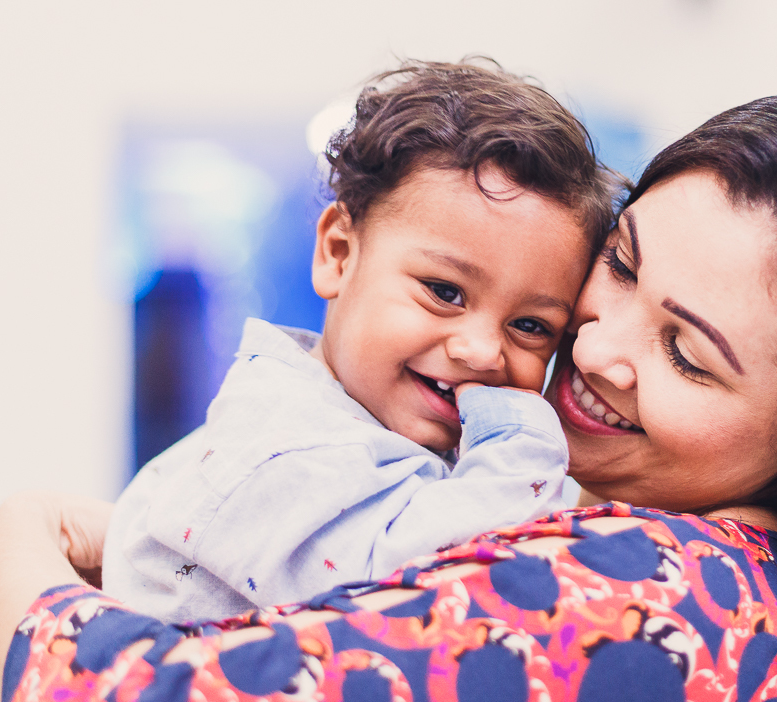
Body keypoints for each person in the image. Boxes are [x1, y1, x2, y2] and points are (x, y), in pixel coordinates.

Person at [0, 91, 777, 702]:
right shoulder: (737, 588)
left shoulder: (641, 599)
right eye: (618, 265)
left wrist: (22, 536)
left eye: (688, 355)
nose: (596, 347)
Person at [103, 59, 622, 622]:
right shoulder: (289, 446)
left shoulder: (367, 428)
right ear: (339, 254)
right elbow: (452, 591)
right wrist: (526, 439)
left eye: (530, 327)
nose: (480, 351)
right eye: (444, 291)